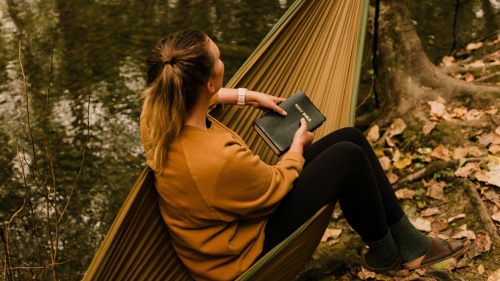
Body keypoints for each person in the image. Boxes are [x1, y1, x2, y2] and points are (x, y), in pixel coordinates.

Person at [139, 29, 469, 281]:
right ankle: (389, 253)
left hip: (229, 222)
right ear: (207, 84)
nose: (223, 63)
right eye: (220, 59)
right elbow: (275, 186)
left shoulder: (157, 116)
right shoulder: (218, 157)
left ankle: (406, 244)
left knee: (351, 137)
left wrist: (247, 96)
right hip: (238, 253)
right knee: (347, 159)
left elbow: (201, 95)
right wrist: (297, 145)